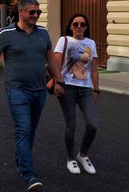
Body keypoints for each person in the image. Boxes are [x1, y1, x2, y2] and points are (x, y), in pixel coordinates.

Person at [0, 0, 65, 191]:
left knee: (31, 130)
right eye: (32, 12)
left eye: (38, 12)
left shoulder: (42, 33)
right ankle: (29, 174)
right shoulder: (6, 33)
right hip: (17, 90)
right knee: (23, 129)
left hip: (39, 90)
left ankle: (20, 160)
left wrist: (59, 81)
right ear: (21, 12)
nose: (35, 15)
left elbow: (50, 57)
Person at [54, 14, 100, 175]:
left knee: (92, 124)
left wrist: (96, 89)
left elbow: (93, 69)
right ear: (71, 26)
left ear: (86, 27)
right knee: (71, 125)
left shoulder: (91, 43)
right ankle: (71, 158)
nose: (79, 26)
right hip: (67, 88)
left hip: (85, 88)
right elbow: (56, 64)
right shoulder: (64, 40)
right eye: (75, 24)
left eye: (82, 24)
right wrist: (58, 83)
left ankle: (83, 155)